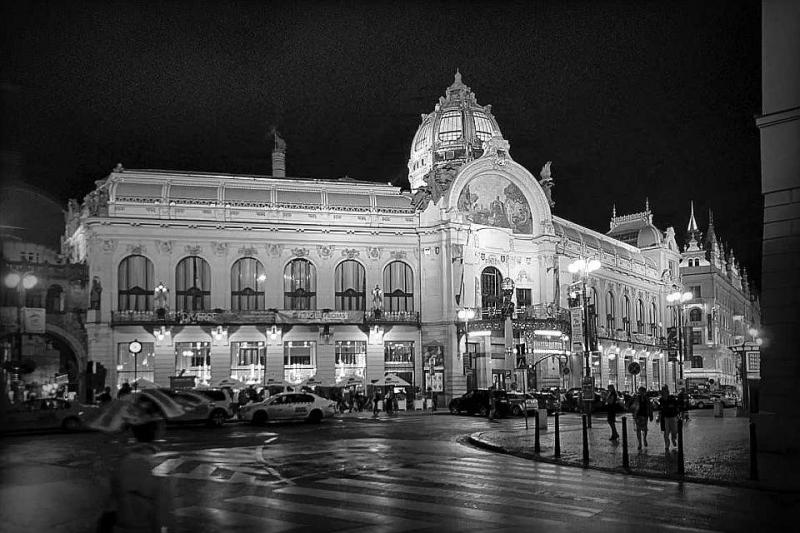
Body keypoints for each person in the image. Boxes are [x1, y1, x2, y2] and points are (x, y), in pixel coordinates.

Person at [107, 419, 173, 532]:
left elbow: (112, 503)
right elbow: (160, 514)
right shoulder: (154, 467)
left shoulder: (123, 462)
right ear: (155, 433)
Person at [658, 385, 680, 452]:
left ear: (667, 392)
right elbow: (660, 409)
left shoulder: (672, 398)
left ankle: (673, 439)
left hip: (673, 416)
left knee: (674, 431)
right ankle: (667, 445)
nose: (664, 393)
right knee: (666, 433)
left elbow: (676, 406)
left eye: (665, 391)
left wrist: (676, 411)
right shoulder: (661, 400)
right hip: (665, 418)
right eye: (663, 391)